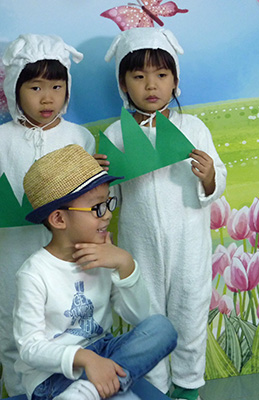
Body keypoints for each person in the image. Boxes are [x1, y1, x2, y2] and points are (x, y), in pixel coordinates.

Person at [102, 27, 227, 400]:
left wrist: (209, 177)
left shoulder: (193, 128)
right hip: (140, 247)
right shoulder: (117, 133)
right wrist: (101, 180)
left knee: (190, 312)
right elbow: (109, 200)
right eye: (138, 77)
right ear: (123, 84)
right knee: (147, 318)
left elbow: (217, 179)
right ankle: (154, 388)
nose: (151, 85)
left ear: (175, 81)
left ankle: (188, 386)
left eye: (161, 74)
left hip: (188, 244)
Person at [13, 144, 178, 400]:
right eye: (97, 207)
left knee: (162, 328)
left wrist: (125, 264)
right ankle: (99, 389)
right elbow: (29, 347)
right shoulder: (34, 274)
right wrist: (84, 358)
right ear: (59, 219)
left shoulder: (105, 254)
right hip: (52, 376)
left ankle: (90, 390)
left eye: (108, 203)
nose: (108, 215)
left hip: (104, 352)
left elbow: (141, 317)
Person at [0, 34, 96, 396]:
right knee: (14, 327)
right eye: (35, 87)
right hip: (13, 255)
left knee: (71, 324)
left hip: (67, 257)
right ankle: (20, 392)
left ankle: (72, 391)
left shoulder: (79, 137)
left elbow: (97, 201)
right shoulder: (2, 139)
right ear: (15, 87)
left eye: (57, 86)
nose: (47, 98)